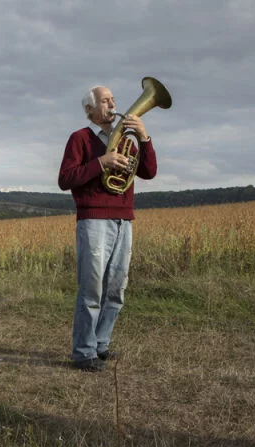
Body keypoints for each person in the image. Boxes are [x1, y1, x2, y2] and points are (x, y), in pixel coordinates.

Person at [58, 85, 157, 372]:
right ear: (90, 110)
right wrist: (102, 162)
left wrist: (144, 137)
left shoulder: (128, 140)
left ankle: (101, 345)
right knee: (91, 290)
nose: (113, 104)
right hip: (94, 220)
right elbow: (66, 179)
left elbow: (149, 172)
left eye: (113, 99)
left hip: (124, 219)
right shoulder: (80, 139)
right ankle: (83, 352)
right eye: (105, 101)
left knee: (116, 289)